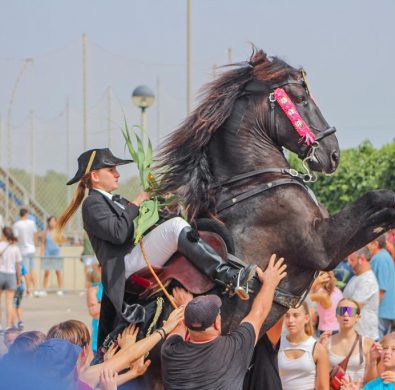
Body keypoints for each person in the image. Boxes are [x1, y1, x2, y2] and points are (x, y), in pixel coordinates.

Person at [57, 148, 257, 345]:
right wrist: (137, 201)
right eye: (111, 170)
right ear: (95, 176)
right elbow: (118, 234)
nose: (117, 174)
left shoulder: (115, 200)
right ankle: (228, 276)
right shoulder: (92, 204)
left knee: (181, 224)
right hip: (124, 266)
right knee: (175, 228)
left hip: (134, 255)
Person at [161, 254, 287, 390]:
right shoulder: (234, 348)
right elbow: (259, 312)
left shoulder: (170, 351)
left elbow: (179, 326)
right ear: (216, 324)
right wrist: (270, 283)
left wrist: (186, 307)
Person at [46, 311, 183, 388]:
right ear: (85, 349)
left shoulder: (48, 372)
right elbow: (131, 354)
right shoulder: (81, 373)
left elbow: (99, 380)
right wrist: (165, 329)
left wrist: (132, 373)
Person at [320, 298, 374, 384]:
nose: (345, 314)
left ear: (358, 317)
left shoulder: (367, 343)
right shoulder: (327, 343)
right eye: (341, 310)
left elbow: (372, 380)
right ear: (336, 316)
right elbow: (321, 375)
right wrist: (320, 349)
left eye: (350, 311)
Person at [278, 302, 330, 390]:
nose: (290, 320)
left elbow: (323, 387)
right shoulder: (277, 344)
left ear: (306, 318)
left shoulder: (317, 349)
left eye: (296, 315)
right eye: (287, 316)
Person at [343, 247, 380, 341]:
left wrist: (336, 315)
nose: (349, 263)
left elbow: (353, 307)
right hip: (354, 334)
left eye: (352, 260)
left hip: (364, 336)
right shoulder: (356, 277)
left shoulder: (368, 280)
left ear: (362, 259)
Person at [368, 234, 395, 338]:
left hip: (380, 311)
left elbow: (381, 289)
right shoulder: (384, 257)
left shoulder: (380, 258)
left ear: (375, 244)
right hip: (385, 311)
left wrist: (372, 310)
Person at [0, 227, 21, 331]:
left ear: (3, 235)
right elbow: (18, 265)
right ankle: (8, 325)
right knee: (9, 302)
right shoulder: (15, 248)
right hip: (11, 275)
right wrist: (19, 278)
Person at [13, 208, 38, 296]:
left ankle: (29, 289)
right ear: (26, 215)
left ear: (20, 215)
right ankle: (35, 288)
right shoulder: (32, 223)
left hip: (23, 250)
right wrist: (34, 244)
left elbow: (15, 238)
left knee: (25, 271)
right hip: (32, 249)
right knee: (32, 270)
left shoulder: (17, 224)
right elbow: (35, 234)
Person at [310, 271, 342, 336]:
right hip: (337, 329)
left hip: (328, 331)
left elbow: (302, 299)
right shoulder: (337, 291)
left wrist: (314, 283)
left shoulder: (322, 295)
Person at [40, 216, 64, 296]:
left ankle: (60, 289)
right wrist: (41, 253)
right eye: (51, 221)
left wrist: (62, 238)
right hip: (47, 253)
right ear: (48, 222)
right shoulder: (45, 232)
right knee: (46, 272)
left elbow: (62, 241)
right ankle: (44, 289)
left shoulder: (58, 231)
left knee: (58, 272)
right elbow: (43, 243)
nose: (53, 223)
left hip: (56, 254)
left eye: (54, 221)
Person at [86, 265, 103, 353]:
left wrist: (100, 304)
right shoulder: (94, 289)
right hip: (98, 339)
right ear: (100, 269)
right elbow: (93, 311)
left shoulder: (121, 287)